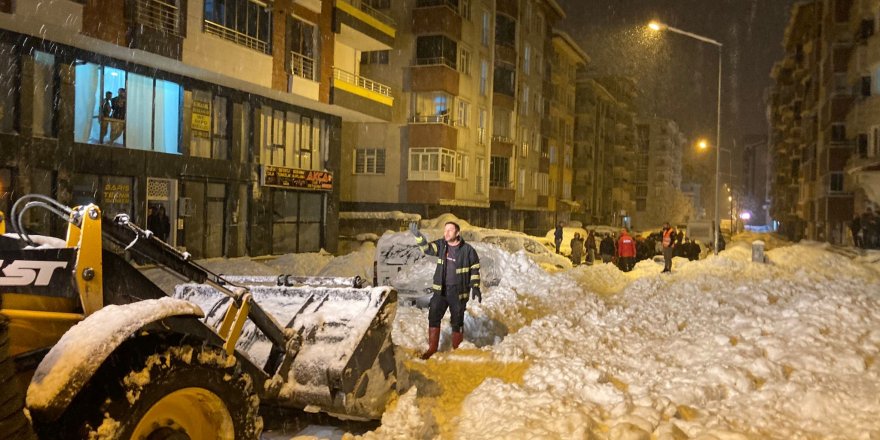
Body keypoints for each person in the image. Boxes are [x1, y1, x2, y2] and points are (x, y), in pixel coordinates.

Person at [410, 221, 480, 360]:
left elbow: (475, 268)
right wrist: (419, 236)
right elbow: (427, 249)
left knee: (457, 321)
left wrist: (475, 285)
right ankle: (432, 348)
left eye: (450, 230)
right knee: (433, 316)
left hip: (458, 292)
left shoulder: (468, 250)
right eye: (445, 230)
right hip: (440, 291)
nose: (446, 233)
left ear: (457, 233)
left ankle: (457, 350)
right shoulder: (442, 245)